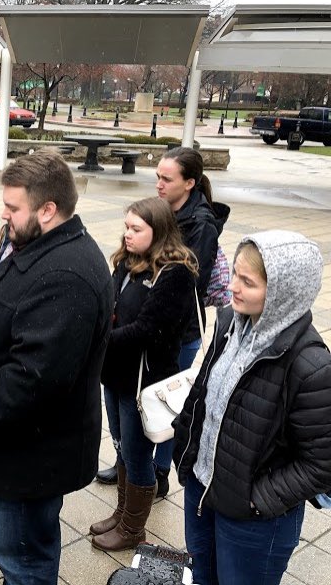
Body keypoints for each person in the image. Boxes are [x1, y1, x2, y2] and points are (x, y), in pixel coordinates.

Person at [0, 149, 113, 585]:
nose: (4, 215)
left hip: (24, 459)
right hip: (17, 449)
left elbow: (34, 380)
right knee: (17, 556)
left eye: (13, 208)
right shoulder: (45, 247)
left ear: (47, 210)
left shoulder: (65, 275)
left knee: (23, 561)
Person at [173, 231, 331, 585]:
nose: (232, 287)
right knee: (203, 577)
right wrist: (185, 442)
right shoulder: (230, 325)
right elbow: (204, 392)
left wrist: (256, 500)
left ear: (283, 293)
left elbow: (321, 463)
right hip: (203, 491)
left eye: (248, 282)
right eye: (235, 275)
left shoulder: (311, 366)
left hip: (253, 521)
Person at [96, 146, 230, 497]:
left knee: (164, 402)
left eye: (166, 179)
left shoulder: (200, 225)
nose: (158, 184)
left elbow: (189, 286)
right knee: (133, 421)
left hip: (177, 333)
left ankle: (157, 471)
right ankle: (131, 464)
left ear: (189, 183)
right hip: (137, 335)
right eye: (157, 176)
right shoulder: (152, 221)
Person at [89, 197, 197, 552]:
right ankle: (122, 514)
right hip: (115, 375)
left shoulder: (175, 272)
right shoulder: (127, 261)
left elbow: (148, 330)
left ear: (159, 231)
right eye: (127, 227)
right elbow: (110, 307)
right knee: (121, 446)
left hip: (143, 380)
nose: (128, 234)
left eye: (137, 229)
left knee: (137, 454)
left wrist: (98, 340)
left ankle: (133, 529)